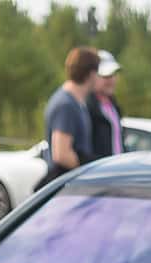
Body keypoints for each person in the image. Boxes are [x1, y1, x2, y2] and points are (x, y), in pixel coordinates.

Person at [42, 47, 98, 186]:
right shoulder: (65, 105)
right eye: (97, 72)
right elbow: (62, 154)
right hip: (66, 186)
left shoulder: (78, 102)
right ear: (90, 74)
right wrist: (92, 171)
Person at [87, 50, 123, 161]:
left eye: (113, 75)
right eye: (106, 76)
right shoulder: (86, 108)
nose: (111, 80)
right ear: (93, 76)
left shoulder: (114, 106)